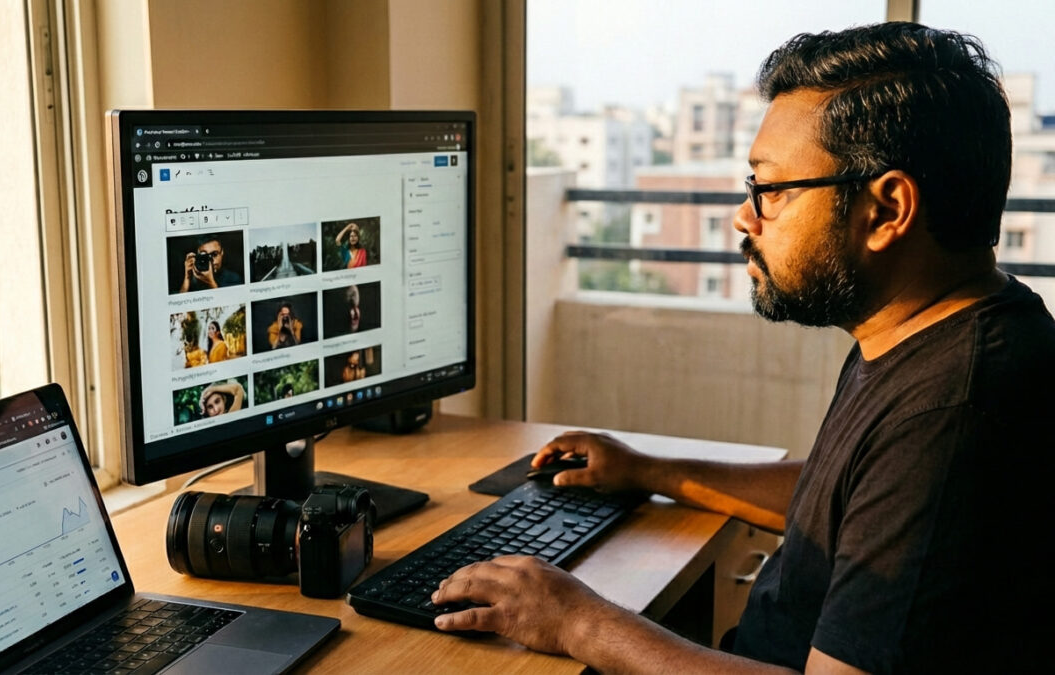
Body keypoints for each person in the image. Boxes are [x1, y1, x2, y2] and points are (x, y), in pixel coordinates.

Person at [431, 23, 1054, 672]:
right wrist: (651, 470)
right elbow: (850, 503)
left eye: (771, 188)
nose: (744, 214)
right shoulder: (945, 331)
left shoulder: (953, 416)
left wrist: (578, 620)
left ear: (887, 208)